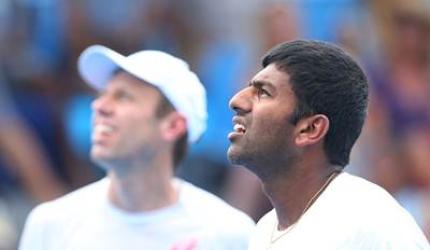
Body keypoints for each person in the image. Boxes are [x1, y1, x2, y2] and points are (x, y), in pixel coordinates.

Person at [19, 45, 254, 250]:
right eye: (102, 95)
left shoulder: (229, 233)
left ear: (173, 125)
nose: (100, 106)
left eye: (123, 97)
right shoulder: (50, 224)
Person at [227, 40, 430, 249]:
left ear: (310, 129)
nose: (236, 101)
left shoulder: (371, 222)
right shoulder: (264, 231)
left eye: (263, 92)